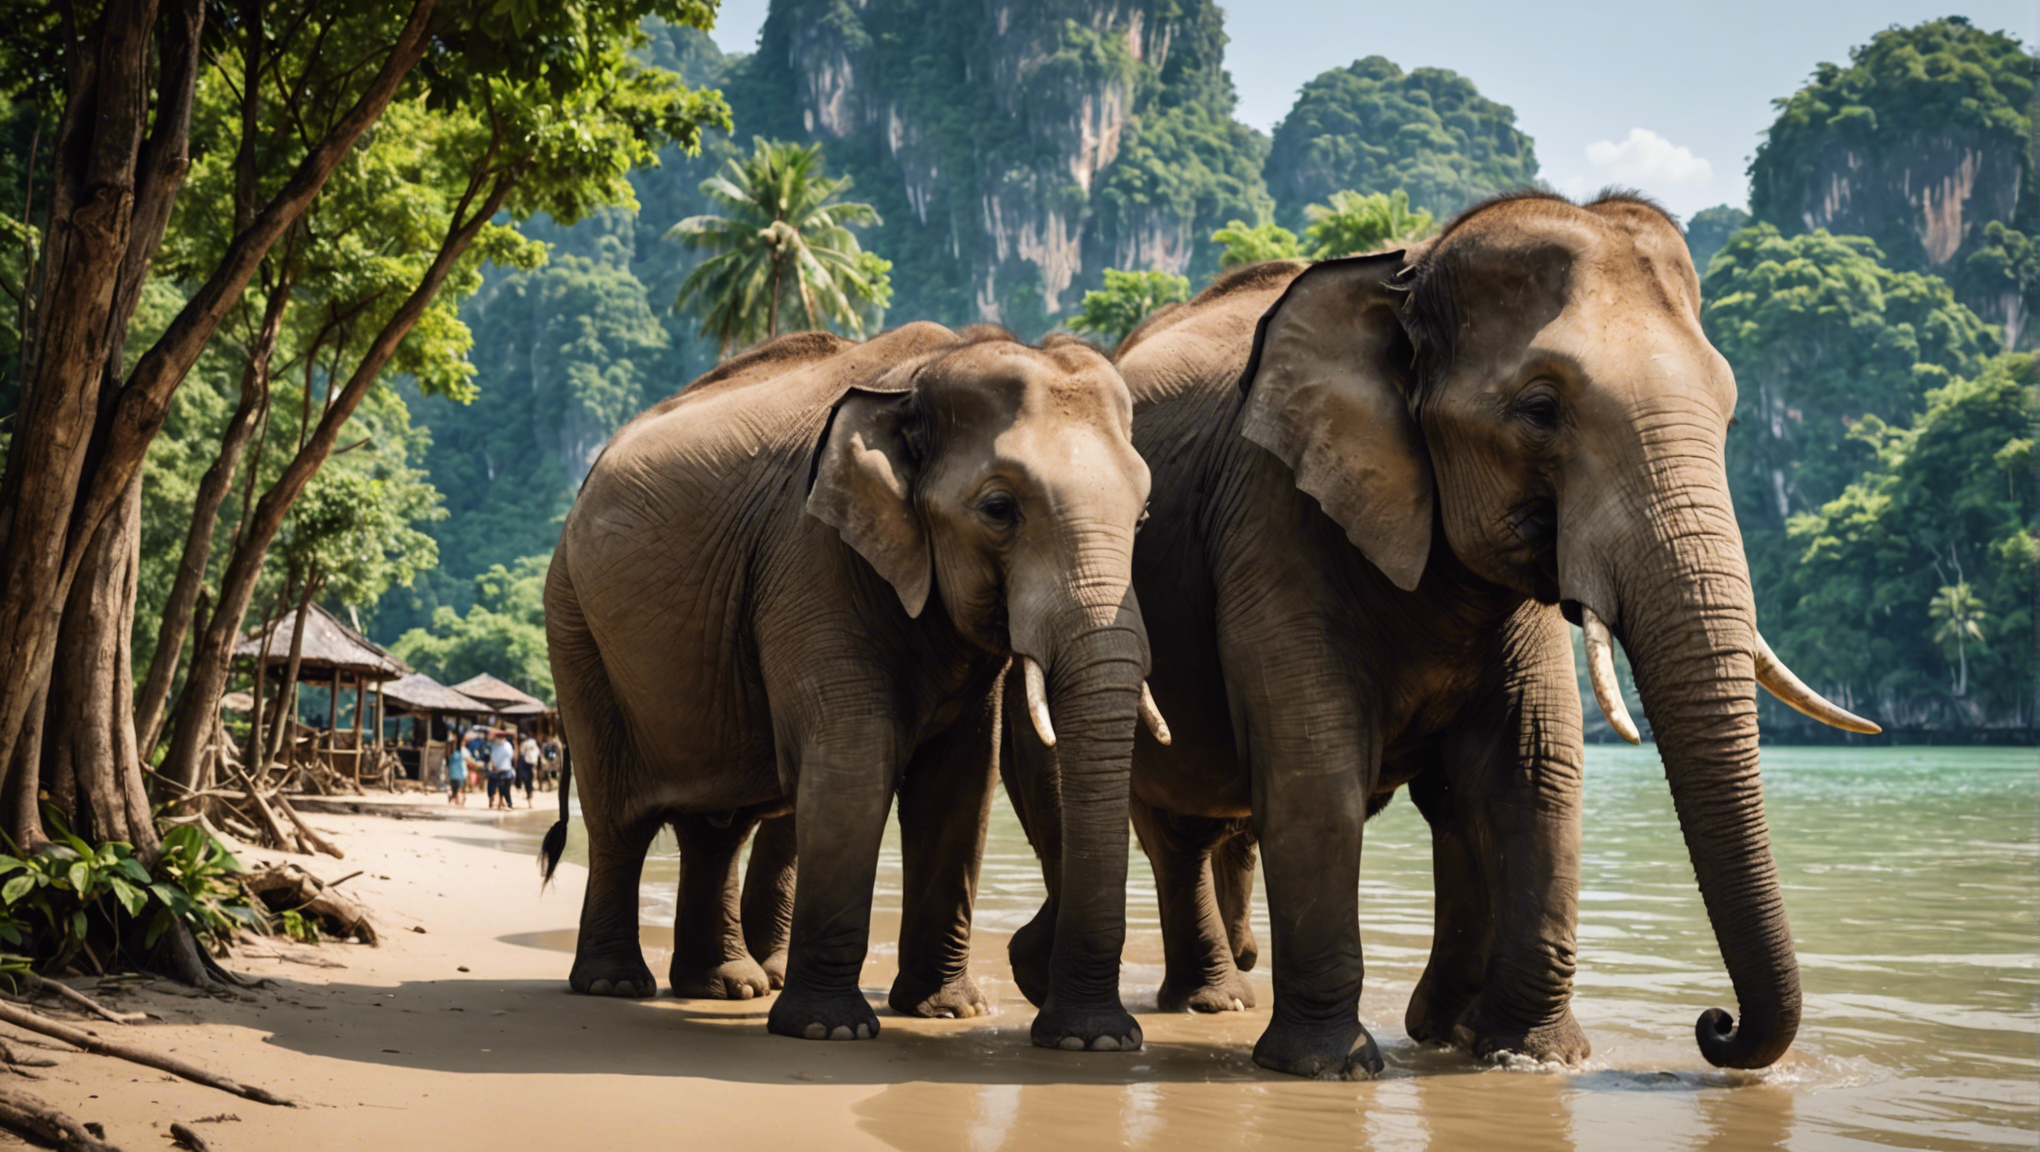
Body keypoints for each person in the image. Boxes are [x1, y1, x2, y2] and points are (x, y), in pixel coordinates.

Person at [488, 728, 518, 809]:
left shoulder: (499, 745)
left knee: (504, 788)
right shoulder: (506, 745)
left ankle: (506, 803)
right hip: (503, 770)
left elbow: (493, 758)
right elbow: (511, 756)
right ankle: (505, 803)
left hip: (503, 770)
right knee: (504, 788)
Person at [517, 730, 540, 802]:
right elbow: (537, 752)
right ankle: (529, 792)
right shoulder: (533, 742)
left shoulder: (524, 744)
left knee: (528, 780)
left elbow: (522, 753)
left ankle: (529, 792)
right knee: (529, 780)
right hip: (532, 763)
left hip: (528, 763)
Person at [445, 737, 468, 806]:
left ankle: (455, 798)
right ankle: (458, 799)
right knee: (459, 791)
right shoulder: (460, 752)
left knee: (455, 792)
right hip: (459, 775)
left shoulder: (449, 754)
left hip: (453, 775)